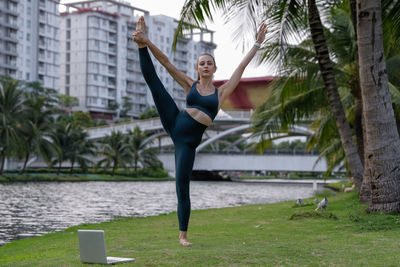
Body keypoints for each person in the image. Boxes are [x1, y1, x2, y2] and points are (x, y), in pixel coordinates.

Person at [132, 16, 266, 246]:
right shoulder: (188, 83)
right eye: (201, 63)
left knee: (182, 186)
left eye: (209, 63)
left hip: (186, 143)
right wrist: (148, 41)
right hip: (175, 119)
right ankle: (140, 43)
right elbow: (165, 62)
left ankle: (182, 236)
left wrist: (257, 44)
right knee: (155, 83)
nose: (205, 66)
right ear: (197, 68)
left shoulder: (221, 93)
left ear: (214, 68)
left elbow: (241, 68)